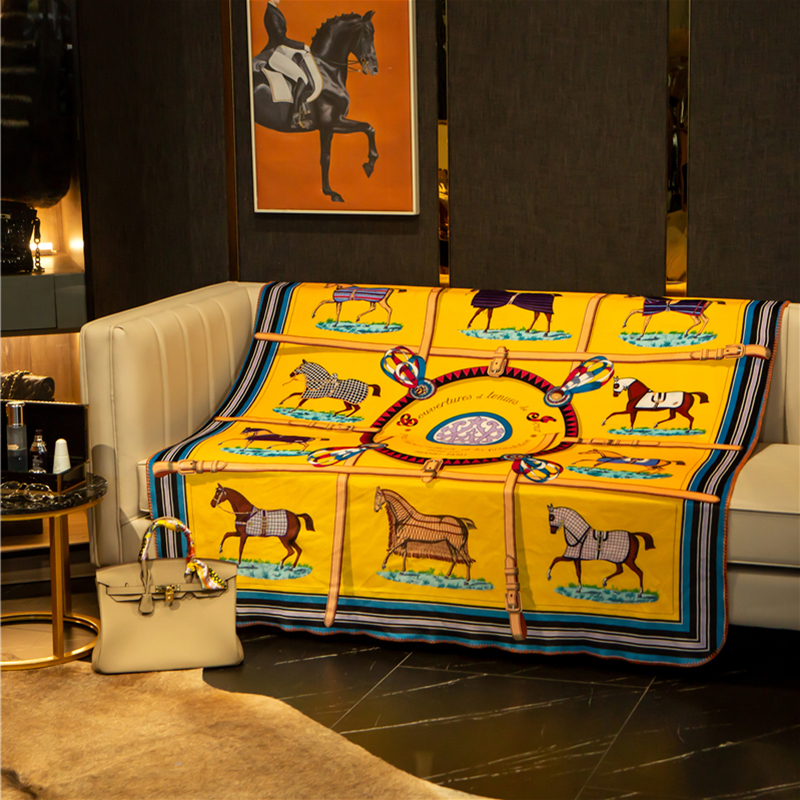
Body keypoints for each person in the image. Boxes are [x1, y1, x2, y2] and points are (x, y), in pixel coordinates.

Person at [255, 0, 315, 129]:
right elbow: (280, 39)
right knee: (302, 77)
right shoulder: (271, 13)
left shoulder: (274, 10)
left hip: (281, 49)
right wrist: (302, 46)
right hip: (274, 52)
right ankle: (295, 116)